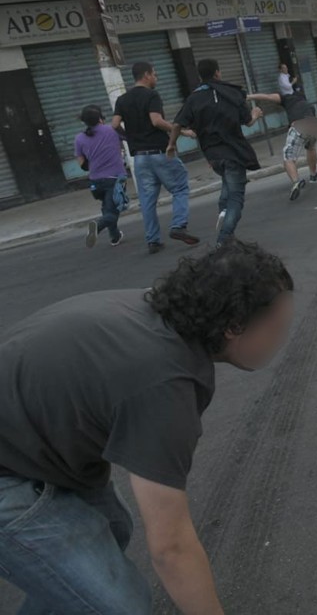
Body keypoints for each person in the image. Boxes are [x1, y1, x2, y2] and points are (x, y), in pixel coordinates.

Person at [0, 240, 293, 614]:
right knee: (122, 605)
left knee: (112, 527)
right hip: (11, 473)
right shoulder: (164, 384)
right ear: (234, 326)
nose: (280, 341)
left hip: (31, 443)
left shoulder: (163, 310)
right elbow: (171, 547)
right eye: (277, 329)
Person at [169, 59, 264, 246]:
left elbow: (177, 124)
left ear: (200, 76)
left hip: (213, 156)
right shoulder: (232, 93)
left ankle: (222, 213)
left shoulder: (193, 98)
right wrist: (256, 114)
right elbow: (248, 122)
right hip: (233, 153)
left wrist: (171, 144)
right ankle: (223, 239)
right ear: (217, 73)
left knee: (227, 184)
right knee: (236, 198)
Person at [113, 61, 201, 254]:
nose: (156, 78)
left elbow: (114, 125)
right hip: (159, 153)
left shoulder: (122, 99)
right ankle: (178, 225)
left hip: (140, 158)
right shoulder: (151, 95)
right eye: (154, 74)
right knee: (180, 188)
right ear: (146, 75)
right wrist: (183, 132)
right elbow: (156, 121)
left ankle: (153, 240)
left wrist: (130, 137)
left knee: (147, 200)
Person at [247, 92, 317, 200]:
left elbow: (267, 97)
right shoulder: (308, 105)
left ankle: (296, 182)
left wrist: (249, 96)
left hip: (298, 126)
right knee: (311, 148)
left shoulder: (286, 98)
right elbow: (316, 123)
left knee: (288, 157)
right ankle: (313, 175)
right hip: (312, 125)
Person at [75, 105, 126, 249]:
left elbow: (82, 164)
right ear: (100, 119)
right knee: (113, 212)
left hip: (95, 182)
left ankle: (115, 236)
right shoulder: (112, 130)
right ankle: (96, 227)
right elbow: (129, 137)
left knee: (107, 208)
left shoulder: (79, 138)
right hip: (115, 178)